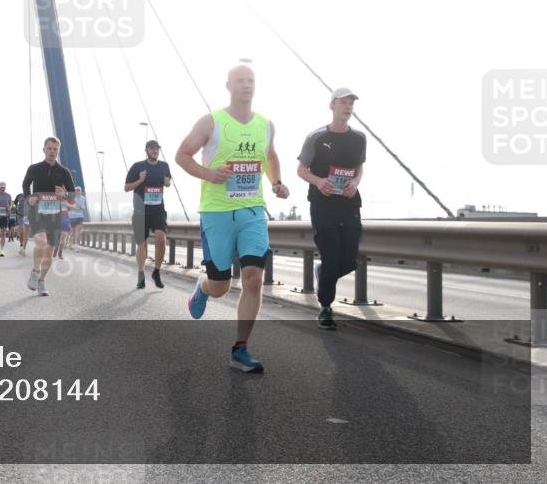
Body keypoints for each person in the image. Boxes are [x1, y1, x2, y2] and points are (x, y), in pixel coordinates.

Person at [176, 64, 289, 373]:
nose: (246, 85)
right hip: (217, 212)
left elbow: (270, 156)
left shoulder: (265, 125)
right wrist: (208, 173)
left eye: (251, 80)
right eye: (240, 80)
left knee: (254, 278)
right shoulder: (211, 122)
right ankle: (203, 287)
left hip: (253, 211)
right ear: (228, 85)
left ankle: (241, 349)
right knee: (221, 286)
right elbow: (182, 154)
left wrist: (277, 182)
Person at [297, 88, 366, 330]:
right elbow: (301, 169)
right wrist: (319, 181)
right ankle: (325, 307)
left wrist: (355, 183)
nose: (348, 107)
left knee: (348, 261)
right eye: (343, 102)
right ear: (332, 106)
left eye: (350, 103)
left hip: (349, 204)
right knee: (331, 256)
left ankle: (323, 272)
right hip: (322, 204)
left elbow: (359, 168)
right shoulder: (315, 137)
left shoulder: (359, 138)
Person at [22, 137, 75, 296]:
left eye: (55, 149)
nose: (52, 151)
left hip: (55, 214)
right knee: (41, 241)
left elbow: (71, 193)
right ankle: (35, 270)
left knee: (50, 249)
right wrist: (28, 197)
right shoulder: (34, 168)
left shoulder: (64, 171)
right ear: (44, 149)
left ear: (58, 151)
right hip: (37, 211)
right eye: (49, 148)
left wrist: (64, 194)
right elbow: (26, 184)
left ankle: (41, 281)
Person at [125, 140, 172, 289]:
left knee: (161, 239)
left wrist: (167, 182)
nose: (155, 151)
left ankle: (156, 272)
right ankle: (140, 274)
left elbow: (168, 182)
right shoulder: (137, 166)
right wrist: (140, 180)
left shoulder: (164, 166)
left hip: (158, 209)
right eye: (152, 149)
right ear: (146, 150)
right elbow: (126, 187)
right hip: (140, 211)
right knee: (142, 244)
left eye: (157, 149)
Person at [0, 182, 13, 257]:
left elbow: (10, 205)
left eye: (3, 187)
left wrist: (9, 208)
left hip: (5, 216)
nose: (2, 189)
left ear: (5, 188)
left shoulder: (8, 195)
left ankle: (1, 250)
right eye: (1, 187)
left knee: (3, 232)